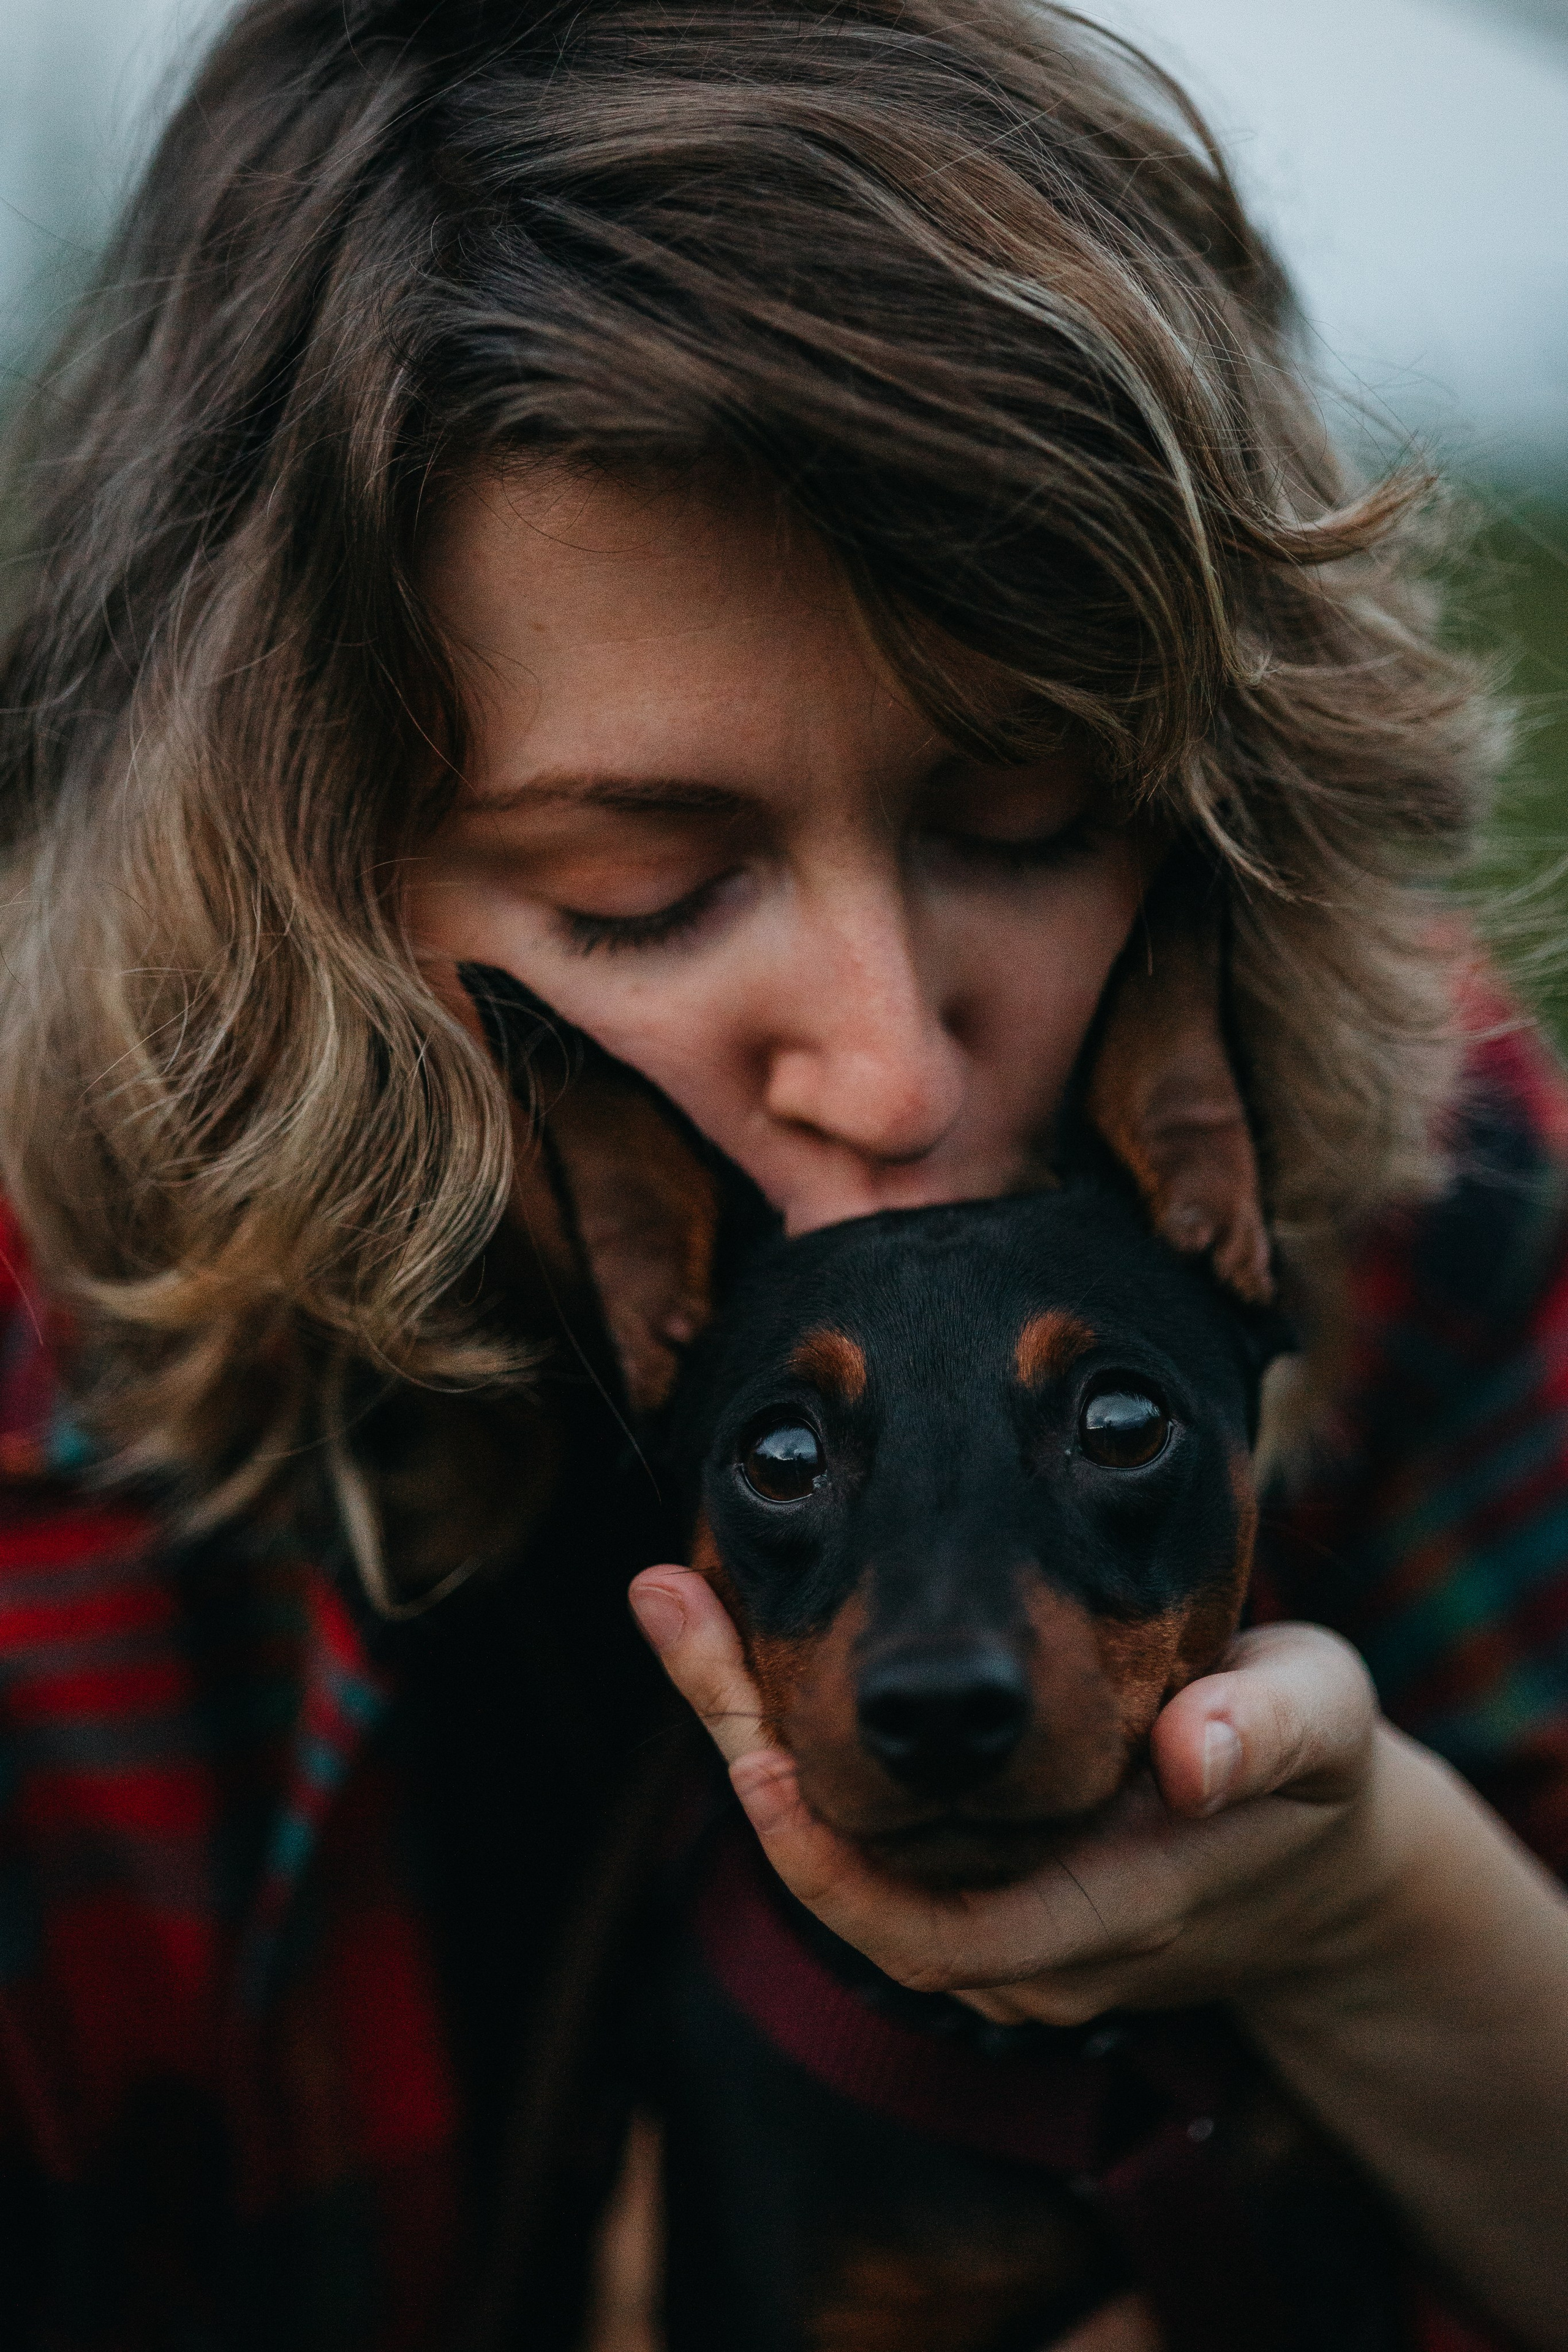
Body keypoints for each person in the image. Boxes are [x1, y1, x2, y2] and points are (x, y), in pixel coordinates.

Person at [0, 1, 1564, 2346]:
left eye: (1023, 820)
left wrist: (1376, 1919)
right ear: (288, 893)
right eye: (647, 887)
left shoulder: (1410, 1167)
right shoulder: (47, 1516)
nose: (894, 1062)